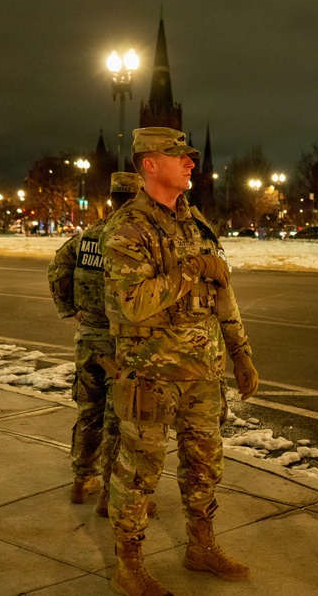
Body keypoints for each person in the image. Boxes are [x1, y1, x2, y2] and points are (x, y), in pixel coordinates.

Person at [103, 127, 259, 596]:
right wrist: (191, 269)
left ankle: (201, 546)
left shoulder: (196, 225)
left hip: (202, 373)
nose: (191, 163)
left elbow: (223, 295)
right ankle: (128, 564)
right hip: (151, 374)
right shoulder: (128, 229)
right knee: (138, 472)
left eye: (191, 157)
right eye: (179, 156)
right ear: (150, 164)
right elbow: (133, 303)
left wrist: (241, 352)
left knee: (205, 465)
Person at [47, 172, 143, 509]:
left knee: (88, 412)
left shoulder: (88, 236)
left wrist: (70, 309)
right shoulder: (132, 237)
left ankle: (80, 479)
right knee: (118, 418)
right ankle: (109, 494)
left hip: (88, 339)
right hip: (121, 343)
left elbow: (57, 267)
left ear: (113, 198)